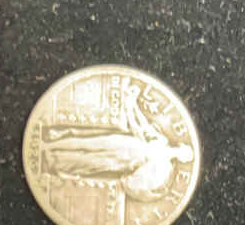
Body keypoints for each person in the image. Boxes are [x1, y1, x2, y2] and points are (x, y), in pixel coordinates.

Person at [41, 83, 193, 201]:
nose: (180, 153)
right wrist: (131, 104)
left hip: (121, 162)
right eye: (183, 150)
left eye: (183, 155)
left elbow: (139, 181)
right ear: (180, 145)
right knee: (85, 143)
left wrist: (131, 181)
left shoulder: (164, 169)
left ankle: (52, 161)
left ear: (181, 159)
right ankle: (50, 145)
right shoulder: (162, 141)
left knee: (85, 162)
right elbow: (142, 126)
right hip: (125, 143)